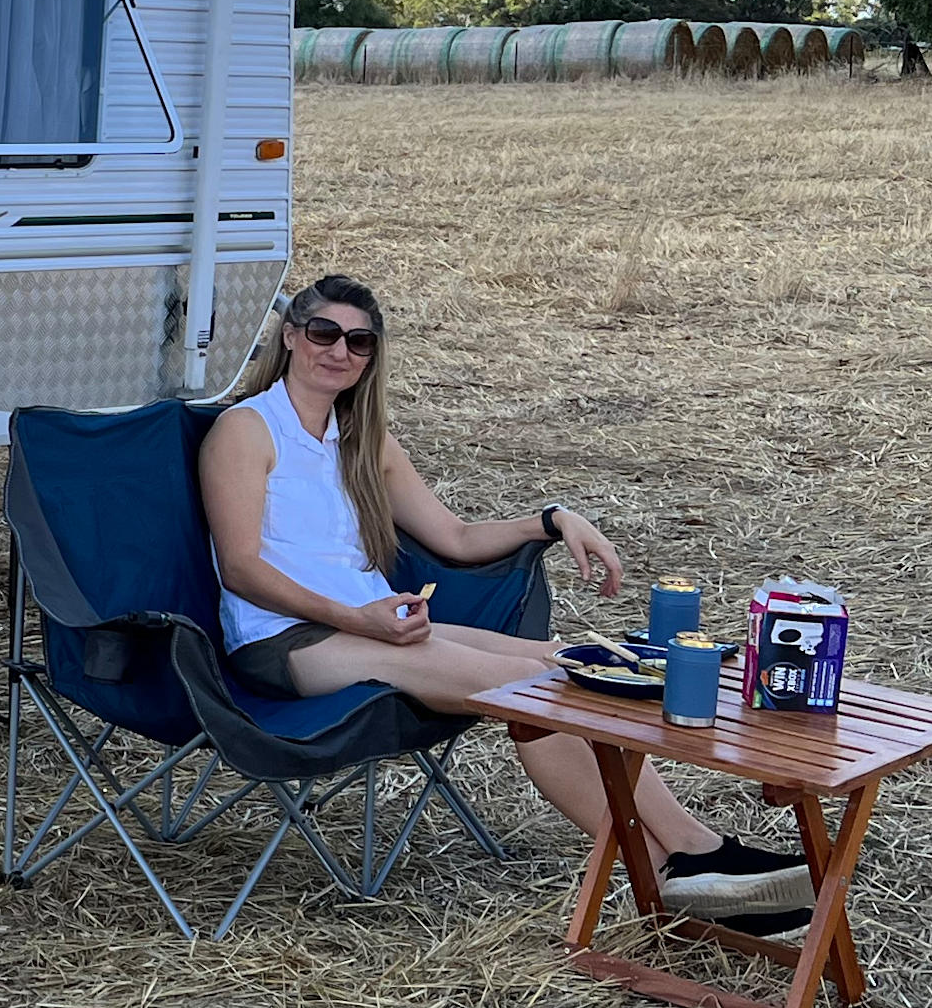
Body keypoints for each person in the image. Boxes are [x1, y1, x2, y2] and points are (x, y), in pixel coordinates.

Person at [197, 273, 811, 927]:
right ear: (291, 336)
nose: (338, 351)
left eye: (359, 340)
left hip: (373, 632)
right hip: (287, 641)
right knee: (531, 688)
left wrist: (551, 520)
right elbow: (241, 569)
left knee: (570, 663)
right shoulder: (248, 430)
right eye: (323, 333)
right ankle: (688, 858)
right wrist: (358, 617)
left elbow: (456, 537)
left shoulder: (362, 441)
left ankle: (680, 869)